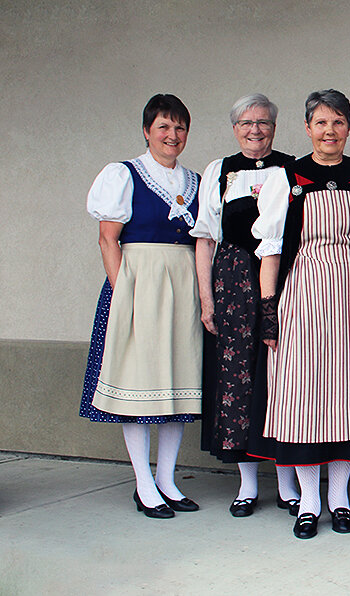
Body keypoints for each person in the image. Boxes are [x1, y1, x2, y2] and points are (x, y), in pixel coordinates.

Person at [251, 89, 350, 539]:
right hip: (304, 300)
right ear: (308, 128)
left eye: (337, 122)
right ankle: (310, 502)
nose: (329, 131)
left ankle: (340, 498)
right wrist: (269, 311)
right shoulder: (287, 178)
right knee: (306, 399)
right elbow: (272, 251)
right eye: (321, 123)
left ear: (349, 127)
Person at [80, 94, 202, 519]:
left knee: (176, 385)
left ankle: (167, 479)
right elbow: (107, 238)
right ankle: (144, 484)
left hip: (183, 285)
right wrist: (123, 292)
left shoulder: (195, 181)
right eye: (164, 127)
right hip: (139, 282)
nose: (173, 135)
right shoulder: (125, 174)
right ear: (147, 131)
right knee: (139, 387)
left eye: (180, 127)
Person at [191, 93, 299, 517]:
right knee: (237, 379)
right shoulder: (219, 171)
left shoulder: (294, 167)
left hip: (284, 278)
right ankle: (248, 485)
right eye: (246, 123)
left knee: (281, 375)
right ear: (234, 128)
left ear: (275, 126)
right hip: (234, 281)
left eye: (264, 122)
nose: (255, 129)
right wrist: (207, 298)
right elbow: (205, 239)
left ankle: (289, 484)